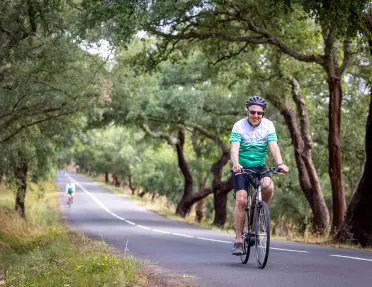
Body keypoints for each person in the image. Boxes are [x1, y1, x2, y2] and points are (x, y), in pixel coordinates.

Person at [230, 96, 289, 255]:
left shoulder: (268, 125)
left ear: (263, 114)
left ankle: (258, 210)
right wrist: (236, 164)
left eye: (260, 113)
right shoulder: (239, 126)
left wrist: (280, 164)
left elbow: (273, 146)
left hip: (259, 167)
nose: (256, 116)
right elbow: (234, 149)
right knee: (241, 199)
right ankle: (238, 240)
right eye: (253, 112)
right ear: (247, 111)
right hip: (241, 167)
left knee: (268, 186)